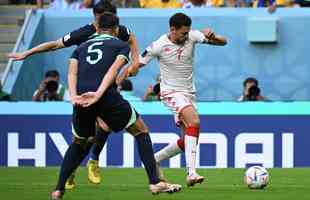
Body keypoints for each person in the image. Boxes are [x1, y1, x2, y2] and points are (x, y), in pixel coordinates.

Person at [8, 0, 140, 187]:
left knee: (105, 125)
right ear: (95, 17)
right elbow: (54, 44)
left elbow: (132, 38)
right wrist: (27, 53)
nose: (113, 23)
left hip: (106, 88)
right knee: (83, 138)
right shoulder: (84, 33)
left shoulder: (118, 30)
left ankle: (93, 160)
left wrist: (135, 61)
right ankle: (72, 170)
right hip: (84, 89)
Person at [50, 13, 181, 200]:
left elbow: (72, 73)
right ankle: (155, 182)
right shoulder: (120, 45)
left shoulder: (80, 48)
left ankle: (58, 189)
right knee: (141, 131)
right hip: (105, 96)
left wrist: (73, 97)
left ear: (97, 28)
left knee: (79, 143)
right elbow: (113, 70)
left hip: (81, 98)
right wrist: (99, 93)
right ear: (116, 30)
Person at [125, 12, 227, 187]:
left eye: (188, 32)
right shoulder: (158, 45)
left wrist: (214, 36)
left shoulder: (193, 36)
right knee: (194, 120)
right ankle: (191, 173)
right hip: (170, 92)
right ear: (172, 29)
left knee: (189, 140)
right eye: (183, 33)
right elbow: (137, 64)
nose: (186, 36)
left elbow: (224, 42)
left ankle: (154, 159)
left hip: (189, 93)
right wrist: (124, 75)